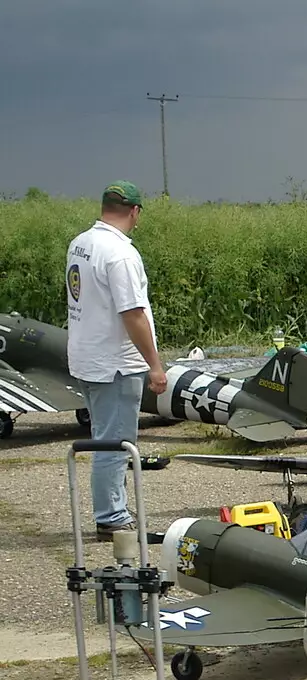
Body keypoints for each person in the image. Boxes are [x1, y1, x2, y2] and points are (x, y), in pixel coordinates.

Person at [65, 180, 168, 541]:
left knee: (102, 436)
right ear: (135, 211)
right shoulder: (121, 254)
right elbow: (133, 314)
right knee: (116, 442)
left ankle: (114, 505)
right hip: (116, 363)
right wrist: (154, 364)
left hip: (86, 356)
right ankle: (111, 517)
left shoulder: (81, 243)